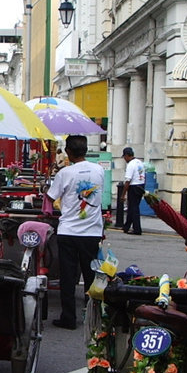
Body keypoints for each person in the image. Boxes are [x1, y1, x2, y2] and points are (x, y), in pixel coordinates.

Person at [46, 134, 104, 330]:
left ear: (68, 152)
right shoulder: (99, 170)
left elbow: (51, 196)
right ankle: (93, 317)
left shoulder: (65, 173)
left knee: (68, 277)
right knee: (91, 276)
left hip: (68, 231)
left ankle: (68, 318)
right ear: (85, 150)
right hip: (92, 232)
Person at [119, 147, 145, 235]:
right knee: (132, 207)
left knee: (134, 209)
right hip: (141, 185)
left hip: (133, 187)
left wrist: (123, 194)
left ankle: (137, 229)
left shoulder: (131, 165)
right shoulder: (139, 162)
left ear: (127, 155)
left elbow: (128, 181)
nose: (124, 159)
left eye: (124, 157)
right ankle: (126, 226)